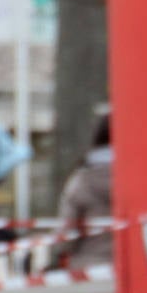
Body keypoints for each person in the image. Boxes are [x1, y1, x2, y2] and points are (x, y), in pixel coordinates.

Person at [53, 110, 114, 269]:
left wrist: (60, 252)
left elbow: (66, 233)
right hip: (132, 267)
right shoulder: (138, 178)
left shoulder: (81, 180)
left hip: (88, 267)